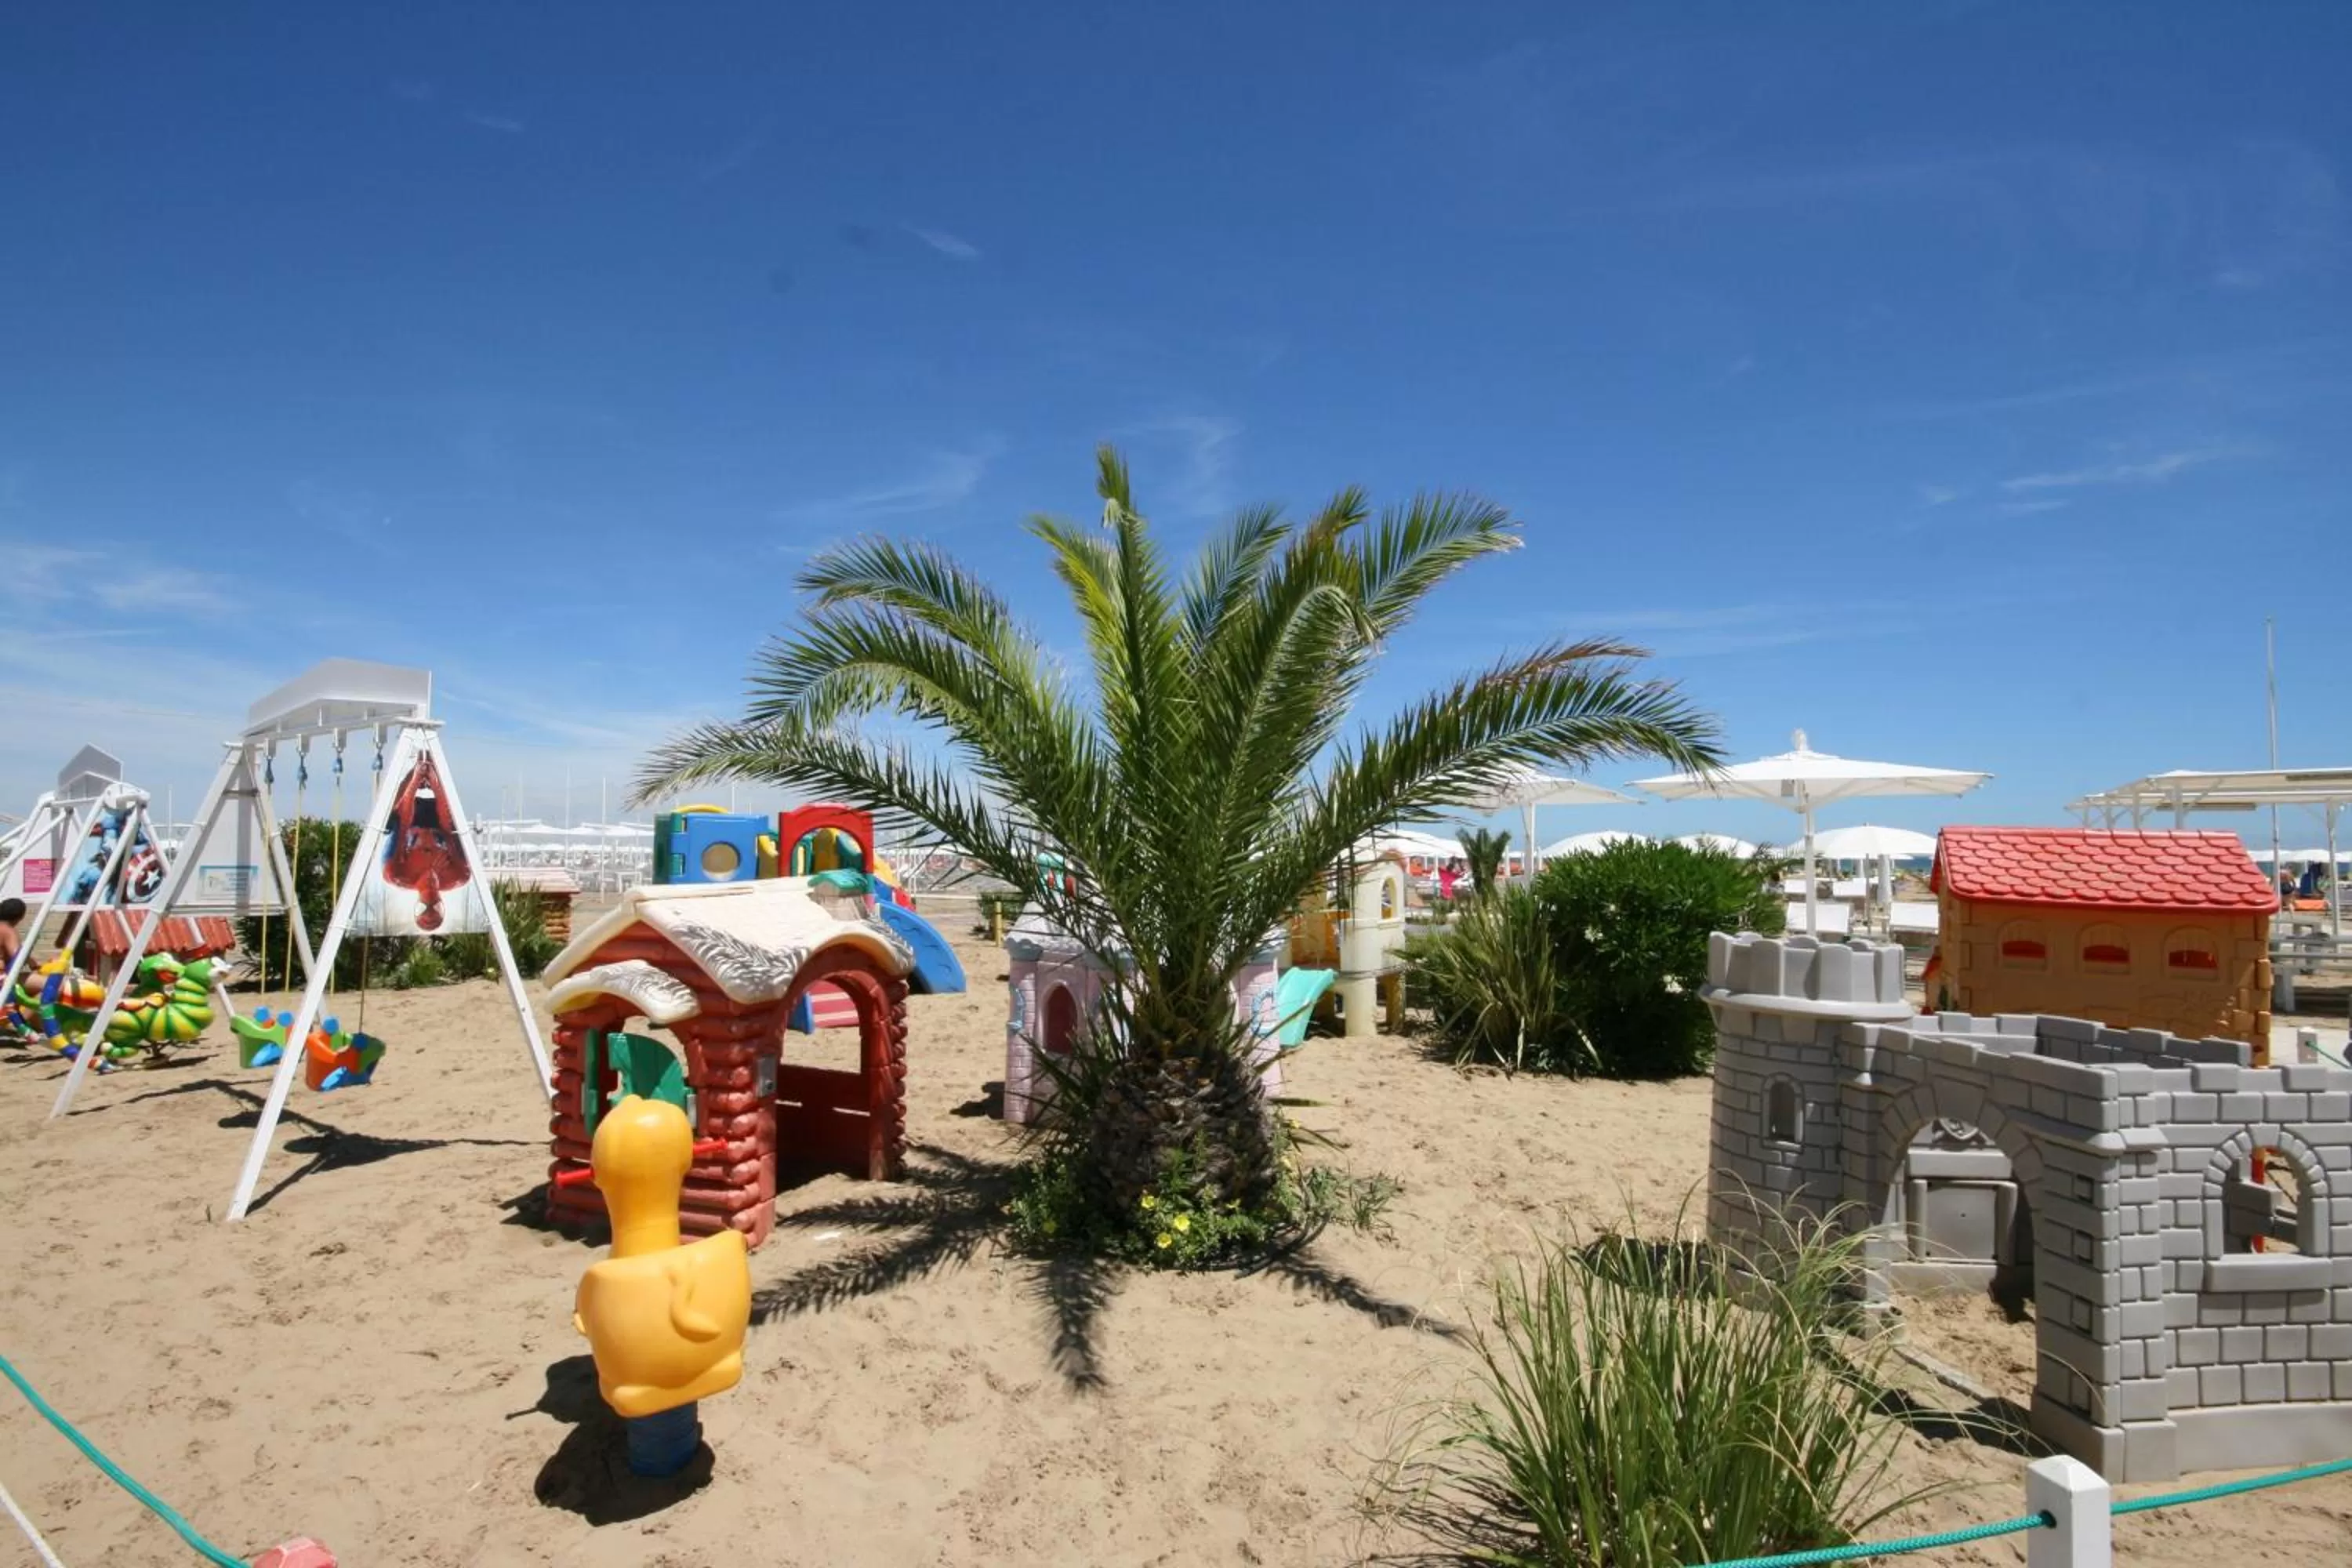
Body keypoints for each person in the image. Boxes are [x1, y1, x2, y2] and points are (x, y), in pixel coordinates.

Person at [0, 896, 24, 974]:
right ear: (20, 917)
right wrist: (32, 963)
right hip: (2, 977)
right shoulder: (7, 930)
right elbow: (17, 957)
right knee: (57, 984)